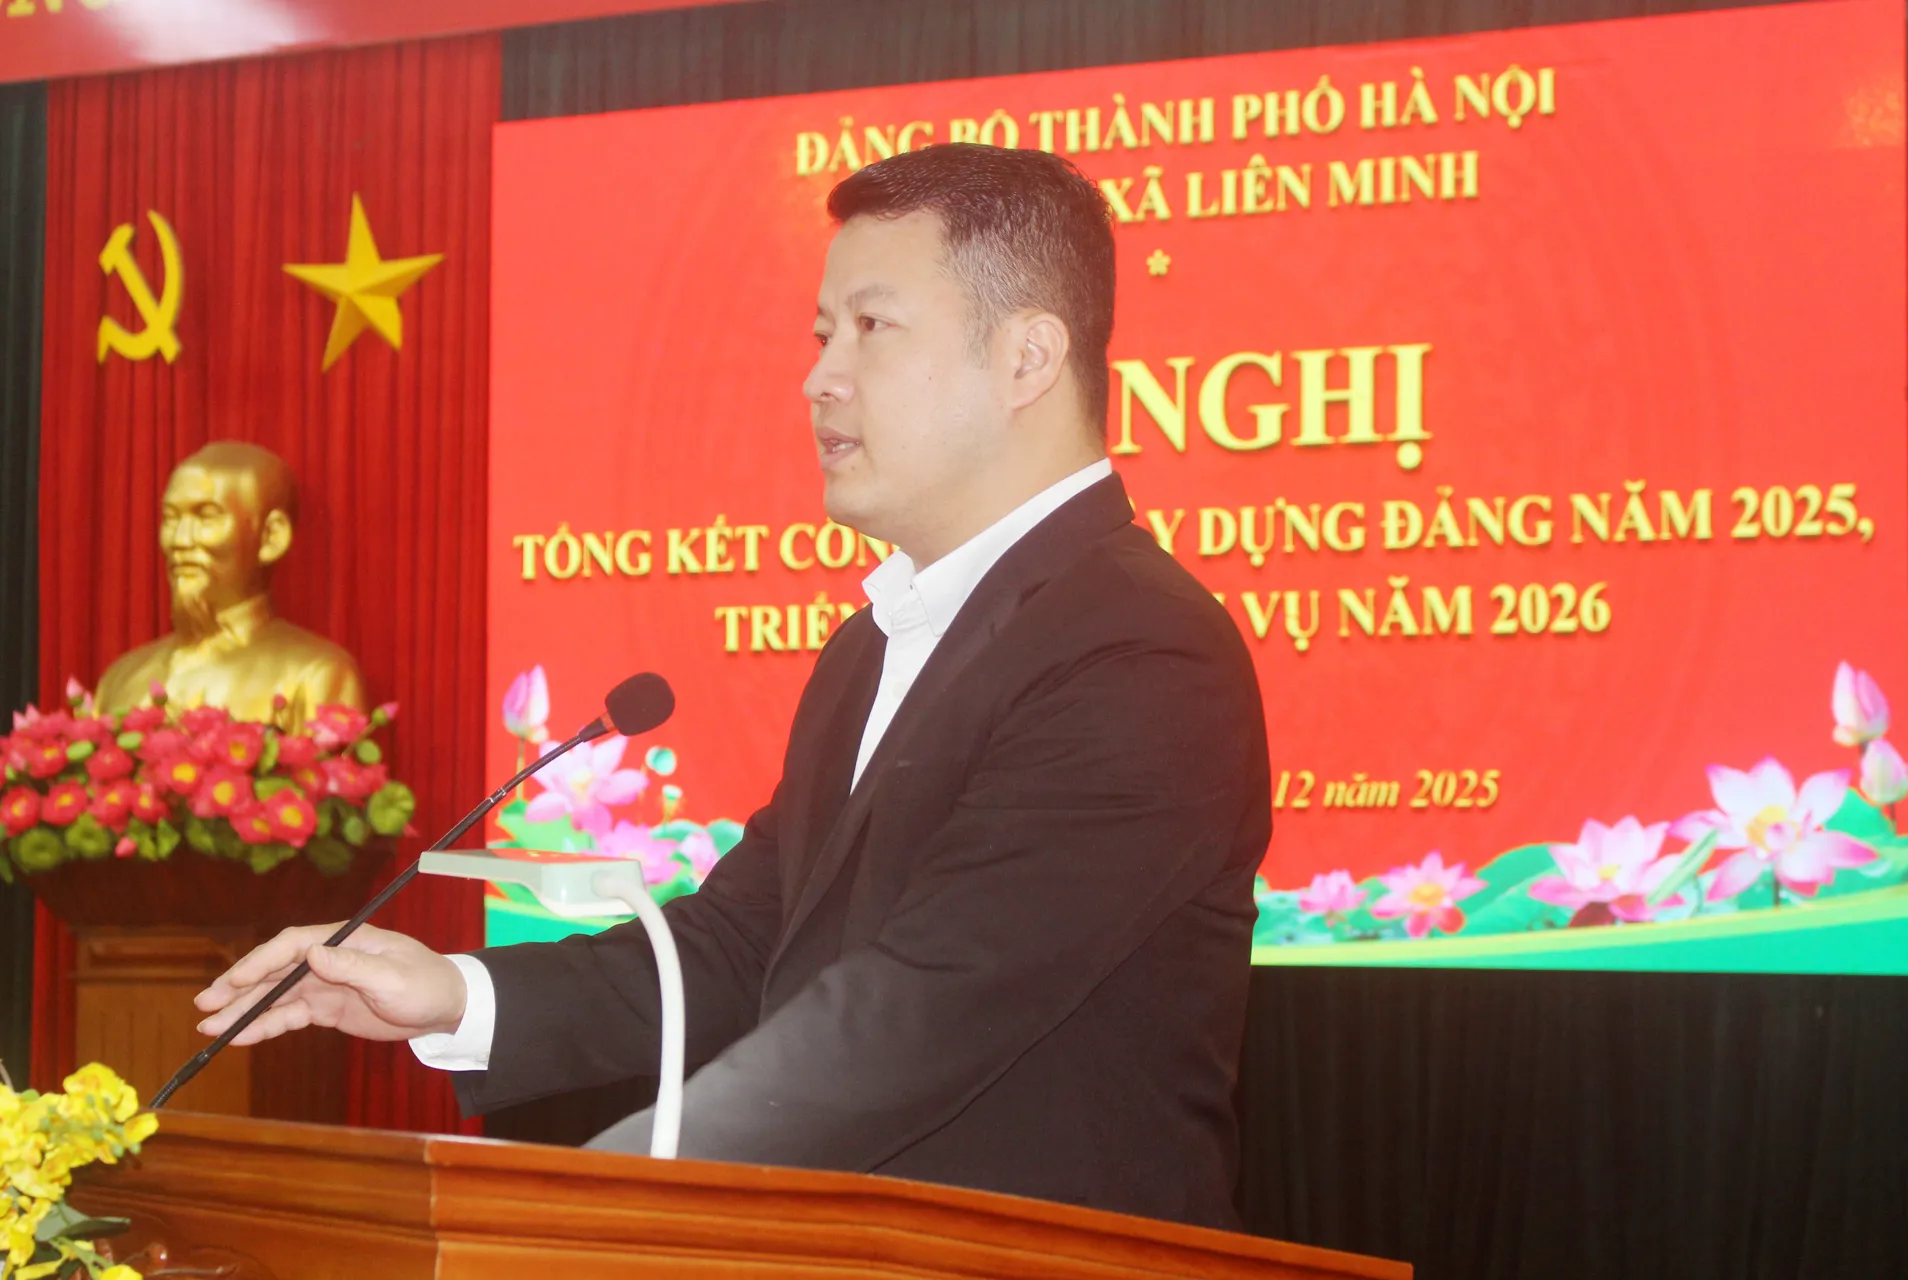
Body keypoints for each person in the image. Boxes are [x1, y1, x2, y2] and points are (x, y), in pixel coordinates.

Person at [195, 143, 1271, 1228]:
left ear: (1027, 357)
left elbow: (929, 1005)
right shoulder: (869, 647)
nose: (820, 378)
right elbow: (742, 944)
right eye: (822, 333)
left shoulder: (1141, 651)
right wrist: (456, 992)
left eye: (872, 326)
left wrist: (574, 1207)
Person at [95, 440, 367, 730]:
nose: (180, 540)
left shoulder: (315, 675)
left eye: (206, 517)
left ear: (271, 537)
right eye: (171, 519)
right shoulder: (121, 677)